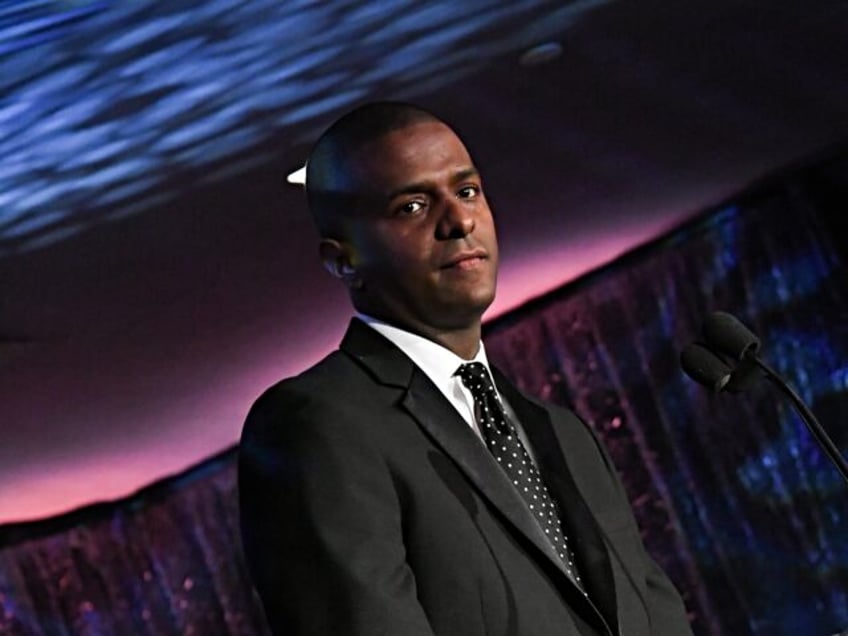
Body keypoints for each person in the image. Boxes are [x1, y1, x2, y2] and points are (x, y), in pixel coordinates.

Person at [238, 101, 693, 635]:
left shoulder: (564, 434)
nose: (459, 221)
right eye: (412, 206)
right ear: (343, 259)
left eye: (467, 191)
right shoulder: (318, 423)